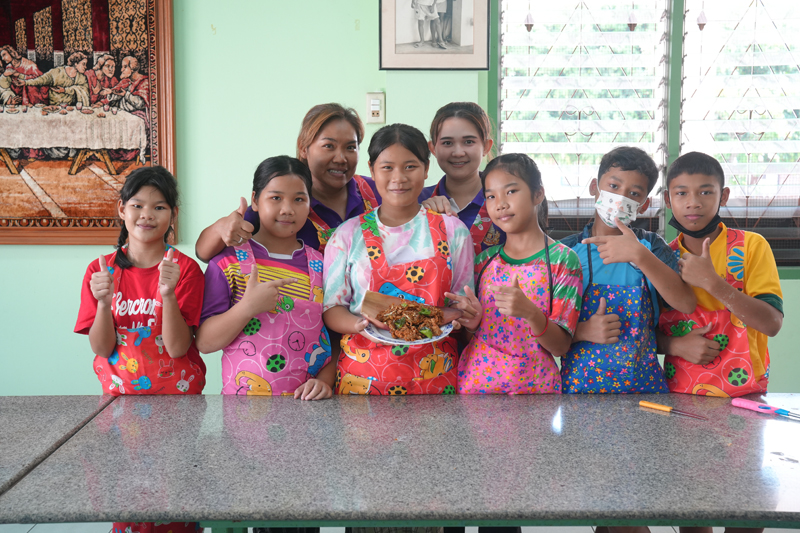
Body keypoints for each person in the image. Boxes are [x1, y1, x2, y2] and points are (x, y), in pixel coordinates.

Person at [75, 166, 204, 533]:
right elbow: (101, 348)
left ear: (173, 215)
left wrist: (167, 295)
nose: (147, 215)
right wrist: (102, 303)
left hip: (177, 408)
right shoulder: (100, 270)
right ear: (122, 209)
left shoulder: (185, 271)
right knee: (126, 501)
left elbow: (180, 348)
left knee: (176, 500)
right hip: (120, 409)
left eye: (160, 207)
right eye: (137, 205)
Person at [323, 123, 475, 395]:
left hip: (435, 378)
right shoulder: (346, 235)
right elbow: (332, 309)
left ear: (426, 169)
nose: (399, 177)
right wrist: (361, 324)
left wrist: (463, 314)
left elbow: (462, 304)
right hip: (363, 382)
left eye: (410, 167)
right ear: (371, 170)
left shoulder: (454, 231)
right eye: (387, 167)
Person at [196, 156, 335, 399]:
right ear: (255, 201)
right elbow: (205, 343)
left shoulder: (324, 264)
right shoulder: (227, 263)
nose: (287, 209)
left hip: (309, 411)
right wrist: (247, 307)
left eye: (299, 199)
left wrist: (325, 381)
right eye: (276, 198)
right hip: (243, 416)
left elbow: (337, 338)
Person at [559, 146, 696, 393]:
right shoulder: (565, 253)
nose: (621, 199)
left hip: (644, 390)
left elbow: (685, 303)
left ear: (643, 205)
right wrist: (580, 331)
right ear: (594, 188)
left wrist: (640, 256)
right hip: (577, 393)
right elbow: (544, 325)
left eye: (633, 193)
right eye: (613, 187)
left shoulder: (651, 247)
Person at [454, 153, 583, 394]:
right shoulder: (484, 261)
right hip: (476, 389)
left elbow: (561, 346)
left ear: (538, 194)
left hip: (535, 393)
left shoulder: (562, 261)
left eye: (511, 191)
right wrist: (471, 326)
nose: (500, 203)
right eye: (491, 196)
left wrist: (530, 312)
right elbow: (470, 339)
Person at [658, 152, 783, 399]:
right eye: (681, 193)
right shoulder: (661, 258)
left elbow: (772, 324)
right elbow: (642, 332)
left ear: (723, 196)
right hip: (678, 394)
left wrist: (713, 283)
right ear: (668, 200)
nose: (693, 202)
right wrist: (675, 345)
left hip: (745, 395)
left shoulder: (751, 246)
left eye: (705, 192)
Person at [195, 103, 381, 260]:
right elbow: (203, 253)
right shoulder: (284, 201)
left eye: (350, 147)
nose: (341, 158)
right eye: (328, 146)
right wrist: (222, 227)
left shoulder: (376, 192)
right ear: (303, 148)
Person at [419, 102, 504, 270]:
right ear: (433, 148)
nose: (458, 152)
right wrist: (420, 217)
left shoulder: (506, 203)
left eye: (469, 142)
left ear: (486, 146)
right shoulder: (417, 201)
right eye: (447, 143)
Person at [22, 51, 89, 107]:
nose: (85, 67)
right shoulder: (57, 72)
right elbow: (41, 79)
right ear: (76, 63)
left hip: (71, 107)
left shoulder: (82, 78)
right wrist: (26, 82)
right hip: (54, 107)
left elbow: (84, 90)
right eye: (83, 64)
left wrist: (64, 90)